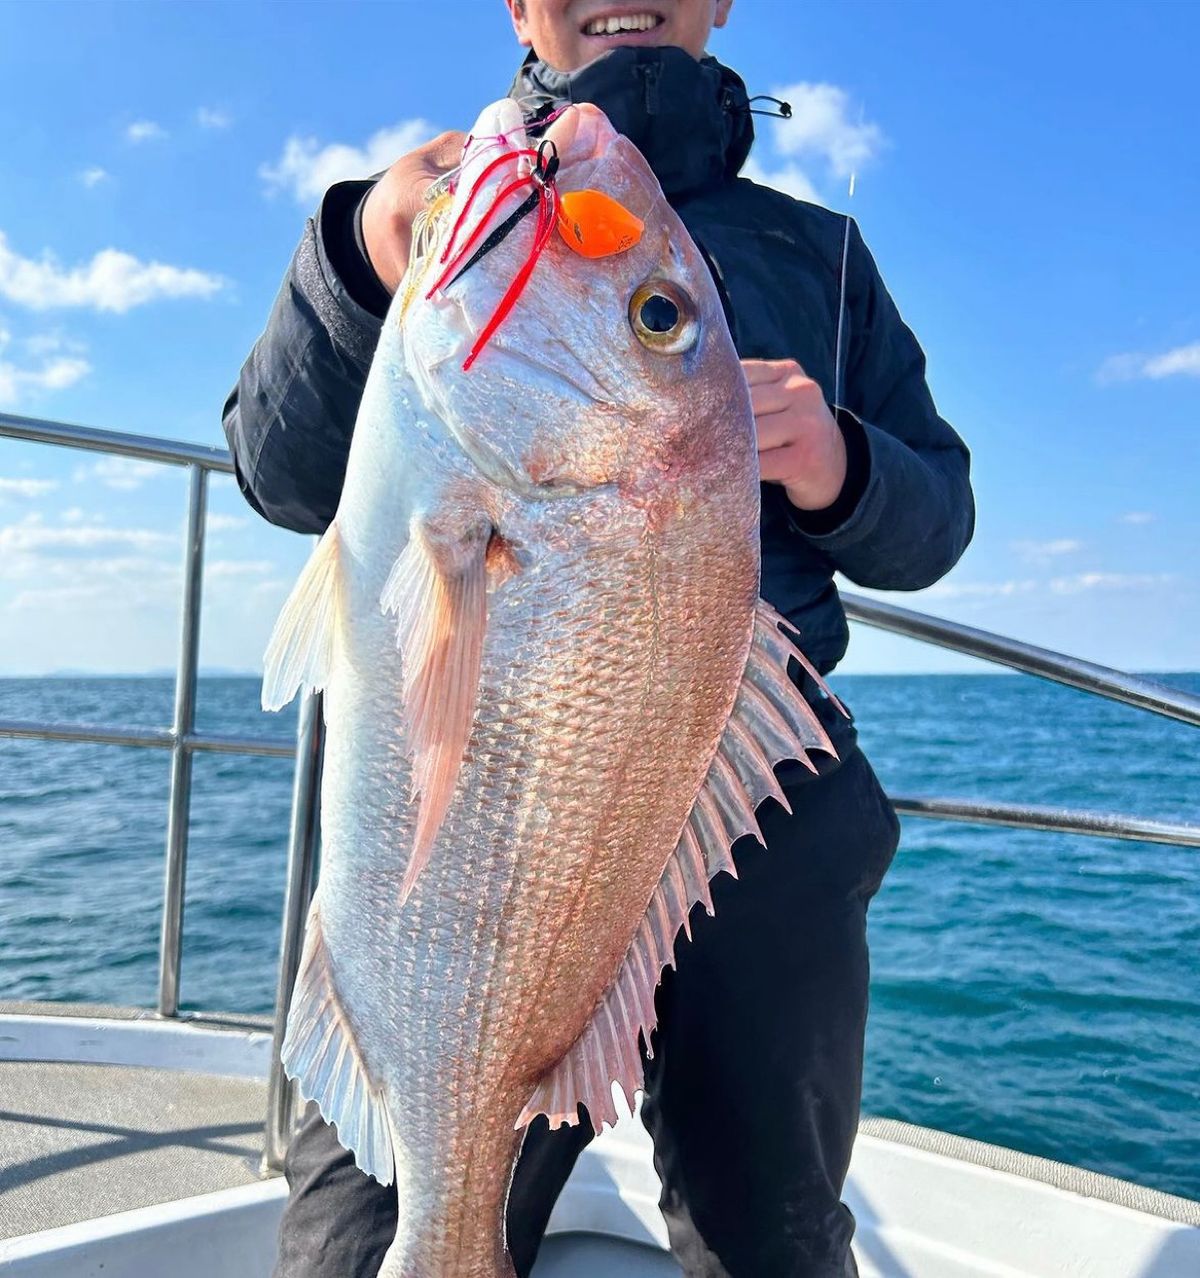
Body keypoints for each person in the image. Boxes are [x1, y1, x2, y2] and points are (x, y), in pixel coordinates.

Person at [224, 3, 974, 1274]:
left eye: (658, 316)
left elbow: (937, 521)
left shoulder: (820, 249)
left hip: (765, 814)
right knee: (365, 1230)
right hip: (484, 806)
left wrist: (847, 462)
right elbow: (277, 470)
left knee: (774, 1229)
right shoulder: (436, 212)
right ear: (516, 5)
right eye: (665, 318)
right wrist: (357, 252)